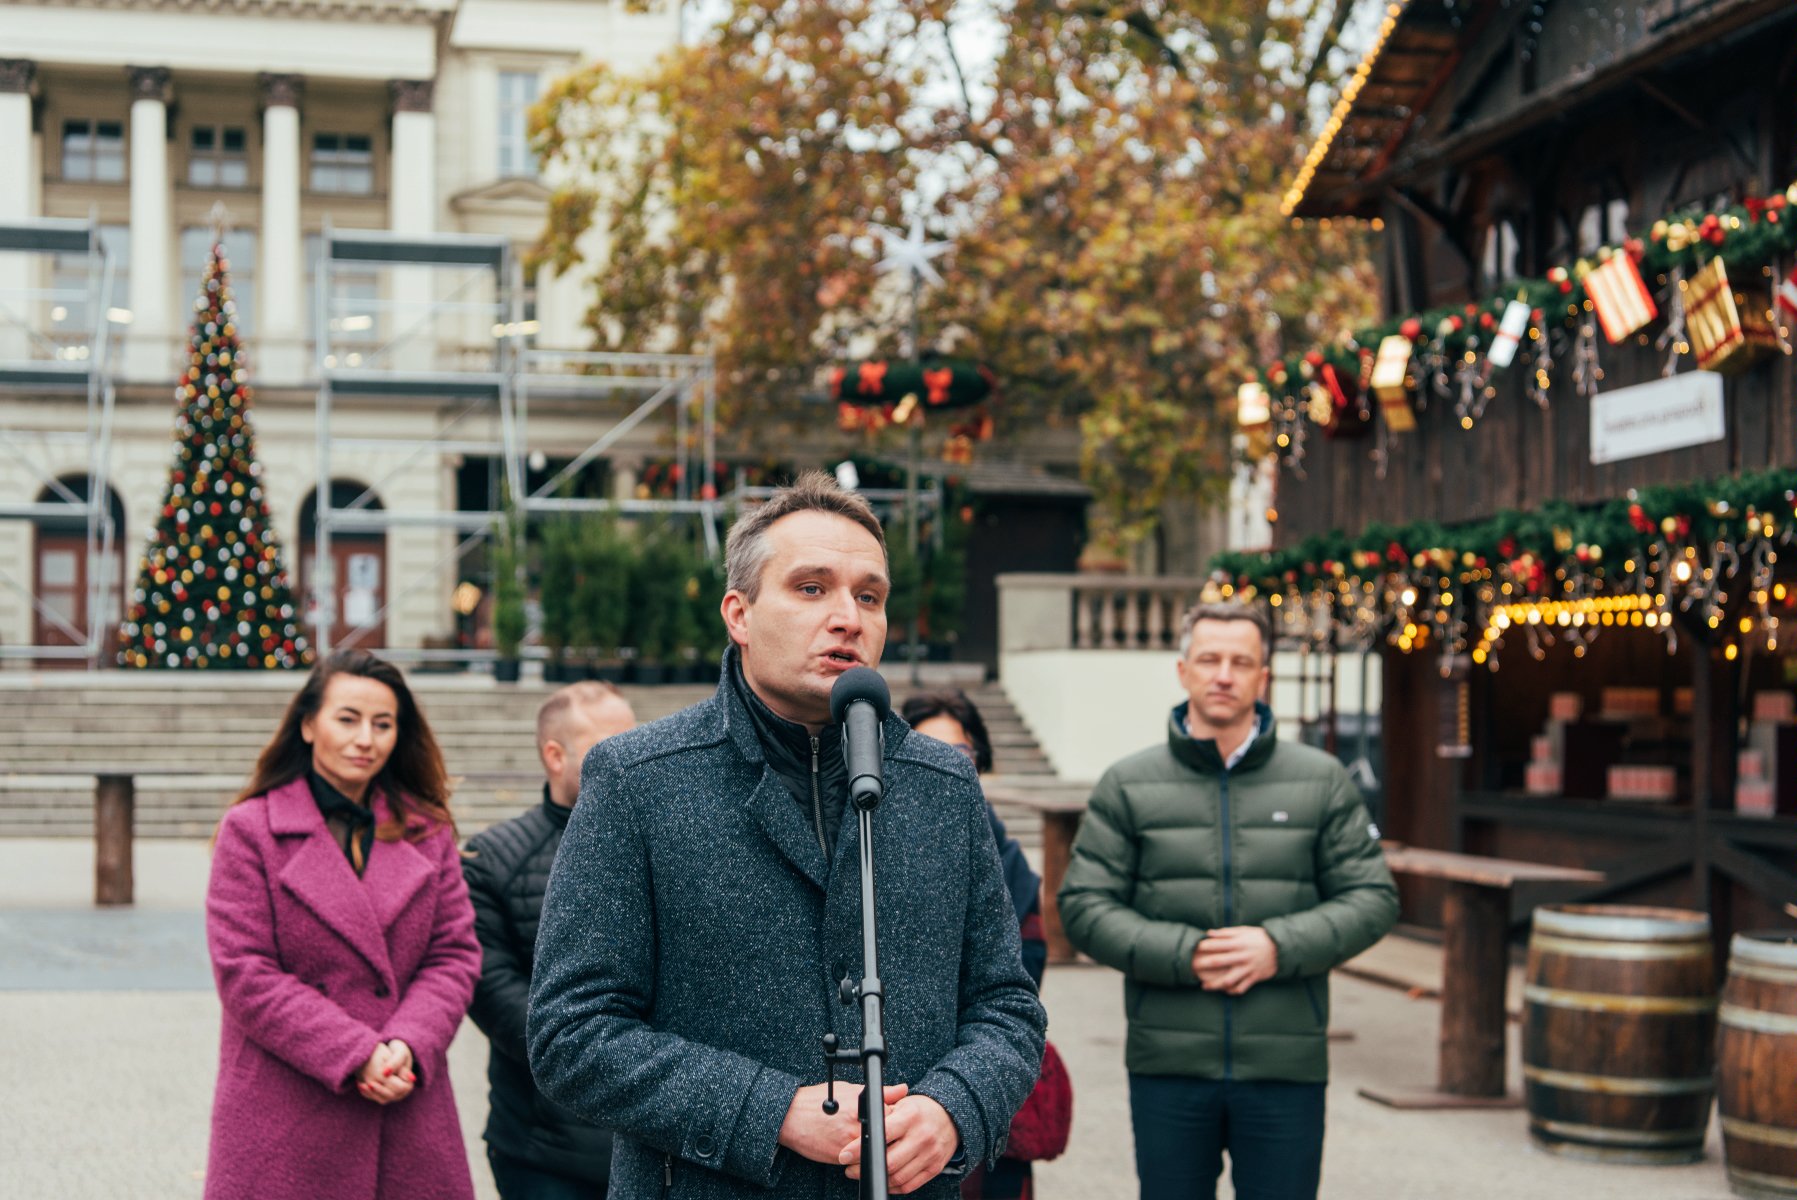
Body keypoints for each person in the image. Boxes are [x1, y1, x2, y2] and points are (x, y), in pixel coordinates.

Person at [528, 471, 1046, 1200]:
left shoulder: (942, 785)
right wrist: (766, 1111)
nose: (847, 617)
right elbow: (570, 1035)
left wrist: (953, 1108)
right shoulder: (636, 780)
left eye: (869, 596)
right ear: (738, 614)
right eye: (811, 588)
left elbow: (1007, 1005)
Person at [1058, 602, 1397, 1200]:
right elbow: (1084, 905)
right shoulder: (1128, 784)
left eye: (1241, 662)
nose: (1224, 674)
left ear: (1263, 677)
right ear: (1183, 669)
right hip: (1168, 1062)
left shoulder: (1321, 780)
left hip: (1285, 1064)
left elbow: (1372, 897)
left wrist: (1277, 946)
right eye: (1210, 659)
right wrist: (1185, 954)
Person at [203, 649, 482, 1200]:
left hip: (404, 1095)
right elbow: (244, 971)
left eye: (383, 724)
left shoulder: (427, 830)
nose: (366, 740)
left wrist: (408, 1041)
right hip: (287, 1105)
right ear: (308, 725)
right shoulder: (252, 830)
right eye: (347, 719)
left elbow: (454, 954)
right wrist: (356, 1052)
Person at [462, 681, 639, 1199]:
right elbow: (493, 992)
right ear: (554, 756)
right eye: (606, 747)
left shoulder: (673, 843)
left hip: (655, 1140)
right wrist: (608, 1057)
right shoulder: (493, 859)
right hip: (543, 1151)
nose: (628, 759)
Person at [902, 689, 1059, 1200]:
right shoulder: (871, 842)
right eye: (926, 749)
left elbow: (1022, 975)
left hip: (984, 1079)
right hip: (904, 1089)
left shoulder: (1008, 859)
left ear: (980, 762)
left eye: (959, 753)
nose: (943, 765)